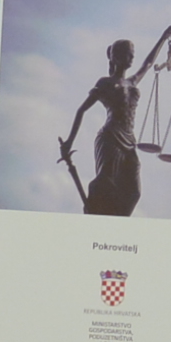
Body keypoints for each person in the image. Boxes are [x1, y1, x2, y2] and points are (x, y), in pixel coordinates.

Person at [61, 36, 147, 217]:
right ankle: (95, 205)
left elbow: (147, 64)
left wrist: (165, 37)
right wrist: (69, 142)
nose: (132, 57)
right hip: (110, 137)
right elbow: (81, 110)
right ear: (116, 57)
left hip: (129, 140)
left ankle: (117, 221)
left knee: (134, 192)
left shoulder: (132, 82)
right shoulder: (105, 83)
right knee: (106, 182)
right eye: (128, 54)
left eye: (133, 54)